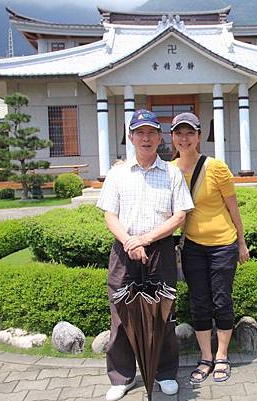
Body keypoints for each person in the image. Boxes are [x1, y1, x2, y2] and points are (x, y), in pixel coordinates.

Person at [97, 109, 194, 401]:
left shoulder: (172, 172)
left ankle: (164, 373)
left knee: (163, 315)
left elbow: (179, 216)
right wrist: (130, 241)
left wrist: (146, 239)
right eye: (140, 132)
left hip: (160, 251)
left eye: (152, 132)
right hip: (124, 251)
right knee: (121, 314)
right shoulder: (117, 174)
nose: (146, 138)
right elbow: (109, 215)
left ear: (160, 137)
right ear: (131, 137)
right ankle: (122, 376)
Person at [170, 112, 250, 385]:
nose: (184, 138)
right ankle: (206, 357)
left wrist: (241, 242)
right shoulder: (169, 170)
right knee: (199, 302)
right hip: (192, 247)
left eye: (190, 132)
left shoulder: (216, 167)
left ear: (199, 136)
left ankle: (223, 355)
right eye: (179, 133)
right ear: (172, 138)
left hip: (223, 246)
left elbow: (233, 207)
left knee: (221, 299)